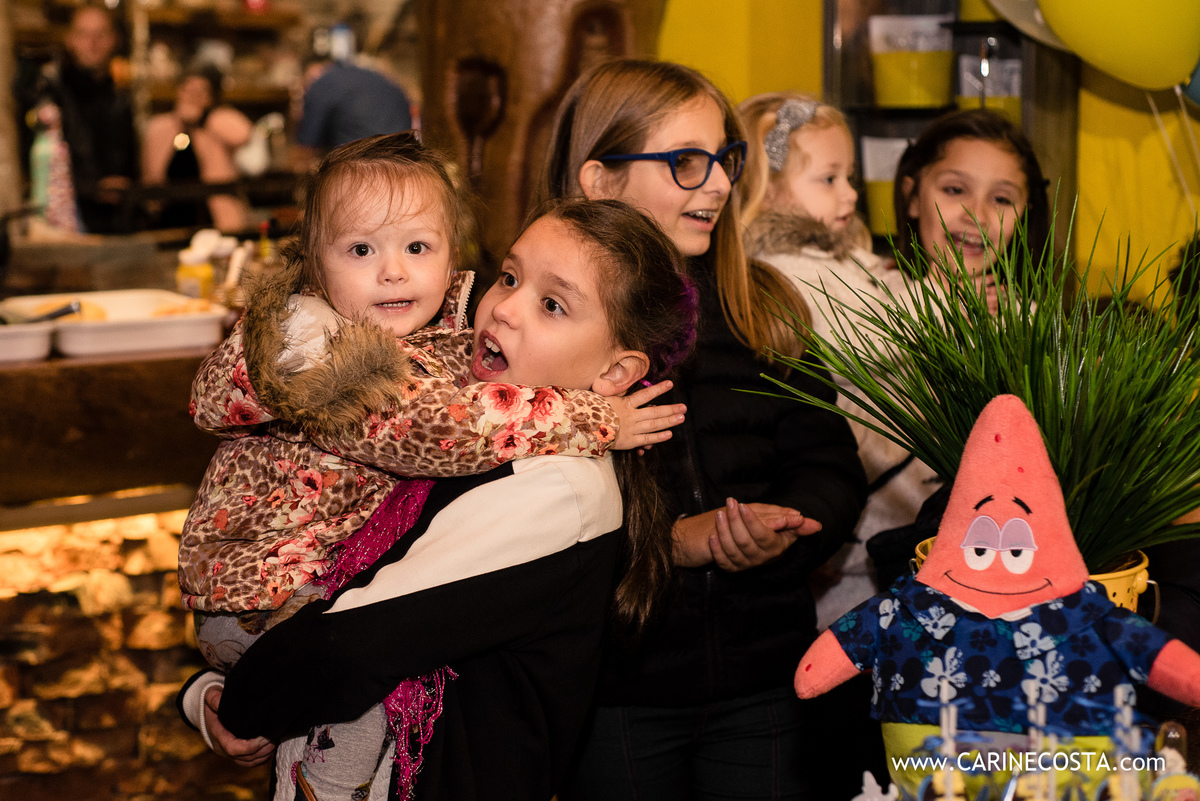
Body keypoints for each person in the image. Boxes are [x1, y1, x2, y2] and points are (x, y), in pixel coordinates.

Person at [177, 132, 684, 797]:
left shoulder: (555, 485)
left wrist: (228, 700)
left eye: (551, 303)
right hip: (265, 602)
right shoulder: (357, 358)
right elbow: (438, 430)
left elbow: (351, 643)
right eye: (509, 276)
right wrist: (597, 417)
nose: (503, 306)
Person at [539, 59, 868, 799]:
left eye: (725, 158)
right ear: (599, 180)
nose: (719, 183)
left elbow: (830, 462)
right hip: (616, 690)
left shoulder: (763, 303)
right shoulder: (541, 324)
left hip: (766, 679)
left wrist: (782, 528)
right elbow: (519, 515)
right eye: (687, 162)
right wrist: (671, 543)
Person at [738, 91, 942, 797]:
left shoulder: (846, 261)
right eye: (827, 177)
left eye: (849, 176)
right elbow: (890, 327)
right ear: (765, 188)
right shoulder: (790, 274)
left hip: (883, 527)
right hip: (854, 551)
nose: (850, 193)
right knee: (856, 725)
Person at [892, 108, 1051, 314]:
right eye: (955, 190)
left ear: (1023, 215)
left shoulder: (1028, 321)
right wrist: (934, 301)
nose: (977, 215)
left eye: (1001, 199)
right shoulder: (866, 298)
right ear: (912, 197)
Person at [16, 4, 138, 233]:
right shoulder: (48, 95)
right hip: (64, 223)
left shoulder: (121, 100)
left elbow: (130, 165)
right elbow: (35, 167)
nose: (92, 43)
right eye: (83, 34)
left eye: (100, 34)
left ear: (114, 40)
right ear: (70, 39)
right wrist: (92, 188)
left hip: (116, 223)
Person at [142, 63, 253, 232]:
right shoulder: (160, 127)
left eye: (201, 91)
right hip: (169, 221)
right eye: (188, 89)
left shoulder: (217, 122)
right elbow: (149, 175)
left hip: (215, 219)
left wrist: (203, 119)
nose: (193, 96)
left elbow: (243, 134)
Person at [291, 55, 414, 170]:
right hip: (405, 160)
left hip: (361, 166)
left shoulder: (320, 82)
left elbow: (305, 149)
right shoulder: (373, 75)